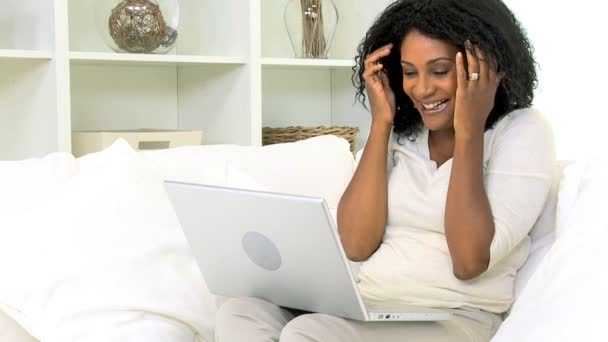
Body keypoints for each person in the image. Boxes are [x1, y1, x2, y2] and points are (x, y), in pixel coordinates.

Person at [215, 0, 555, 341]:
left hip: (456, 317)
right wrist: (381, 123)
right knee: (240, 312)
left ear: (483, 66)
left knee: (310, 333)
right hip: (372, 307)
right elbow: (356, 244)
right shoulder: (405, 132)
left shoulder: (521, 131)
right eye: (409, 72)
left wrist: (469, 130)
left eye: (439, 71)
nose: (422, 89)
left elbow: (468, 261)